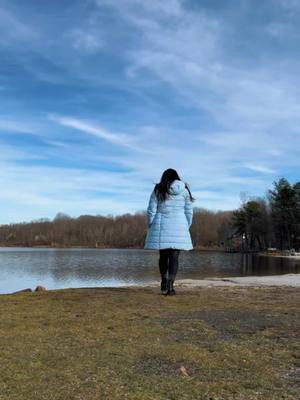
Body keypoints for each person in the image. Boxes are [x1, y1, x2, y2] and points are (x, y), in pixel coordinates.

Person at [144, 169, 195, 295]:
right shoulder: (184, 190)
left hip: (161, 226)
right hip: (179, 225)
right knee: (174, 257)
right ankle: (171, 287)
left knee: (163, 256)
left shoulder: (159, 188)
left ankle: (164, 280)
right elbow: (189, 211)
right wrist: (186, 225)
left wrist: (151, 224)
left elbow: (151, 209)